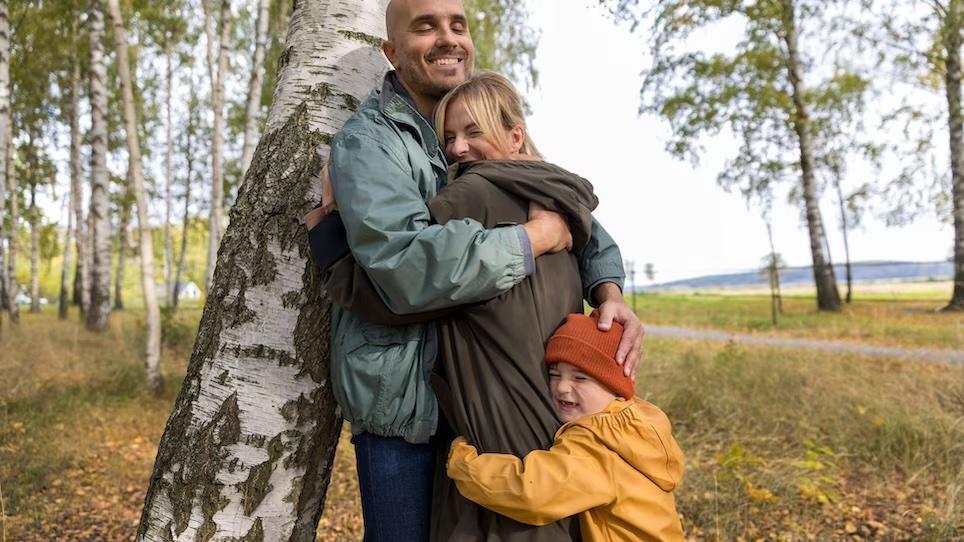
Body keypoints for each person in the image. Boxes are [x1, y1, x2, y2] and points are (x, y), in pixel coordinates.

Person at [312, 0, 645, 538]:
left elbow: (573, 216)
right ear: (391, 53)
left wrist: (609, 289)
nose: (448, 38)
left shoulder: (476, 142)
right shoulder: (371, 142)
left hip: (489, 399)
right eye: (426, 26)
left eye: (457, 25)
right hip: (407, 407)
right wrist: (532, 240)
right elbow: (404, 269)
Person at [446, 312, 686, 542]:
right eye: (554, 374)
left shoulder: (599, 446)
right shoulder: (639, 423)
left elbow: (531, 492)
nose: (561, 387)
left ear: (616, 388)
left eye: (580, 378)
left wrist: (463, 464)